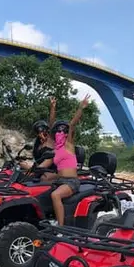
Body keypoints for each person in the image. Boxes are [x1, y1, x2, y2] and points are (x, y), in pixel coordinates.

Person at [46, 94, 91, 225]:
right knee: (40, 182)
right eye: (57, 132)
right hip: (59, 179)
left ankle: (60, 227)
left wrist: (81, 108)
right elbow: (51, 125)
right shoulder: (56, 148)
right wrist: (52, 107)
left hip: (71, 181)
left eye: (62, 132)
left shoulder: (68, 145)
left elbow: (72, 124)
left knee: (55, 195)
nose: (59, 134)